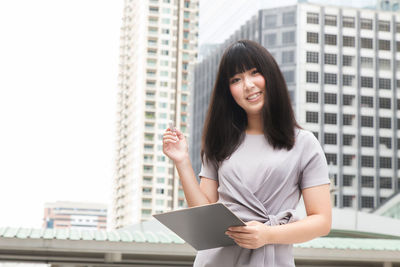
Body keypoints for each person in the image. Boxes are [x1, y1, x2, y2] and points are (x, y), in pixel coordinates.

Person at [162, 40, 331, 267]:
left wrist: (267, 235)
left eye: (254, 73)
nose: (248, 85)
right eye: (236, 80)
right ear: (228, 91)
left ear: (270, 76)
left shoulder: (304, 143)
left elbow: (322, 221)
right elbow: (205, 213)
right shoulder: (219, 142)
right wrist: (182, 161)